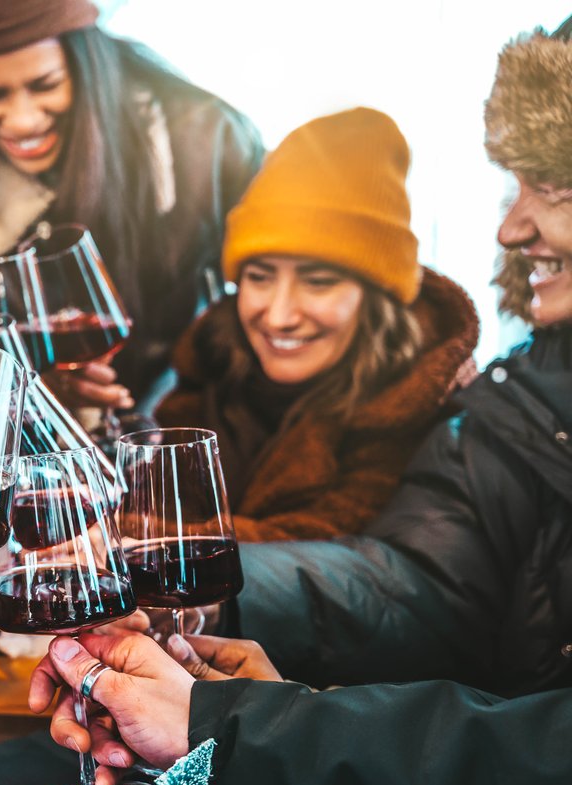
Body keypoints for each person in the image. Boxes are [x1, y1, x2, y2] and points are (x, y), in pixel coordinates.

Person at [26, 28, 572, 785]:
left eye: (553, 183)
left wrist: (252, 726)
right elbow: (412, 581)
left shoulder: (448, 409)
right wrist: (208, 592)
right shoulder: (526, 395)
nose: (511, 227)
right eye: (259, 275)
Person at [0, 0, 264, 409]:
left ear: (87, 65)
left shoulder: (201, 141)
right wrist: (32, 394)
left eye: (46, 85)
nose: (23, 120)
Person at [153, 108, 478, 542]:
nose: (279, 316)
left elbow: (341, 555)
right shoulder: (208, 371)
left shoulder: (426, 413)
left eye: (318, 281)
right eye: (260, 276)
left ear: (377, 299)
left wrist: (140, 539)